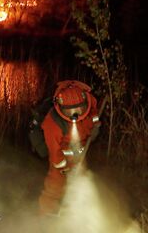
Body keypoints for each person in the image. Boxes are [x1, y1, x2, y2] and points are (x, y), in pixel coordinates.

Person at [38, 80, 101, 216]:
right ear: (61, 108)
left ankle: (78, 212)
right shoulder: (52, 124)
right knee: (55, 185)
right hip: (62, 154)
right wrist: (63, 168)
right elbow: (55, 154)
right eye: (70, 110)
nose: (75, 114)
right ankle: (45, 216)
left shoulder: (90, 102)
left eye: (78, 109)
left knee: (81, 179)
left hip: (80, 151)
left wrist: (96, 125)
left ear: (85, 104)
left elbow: (95, 114)